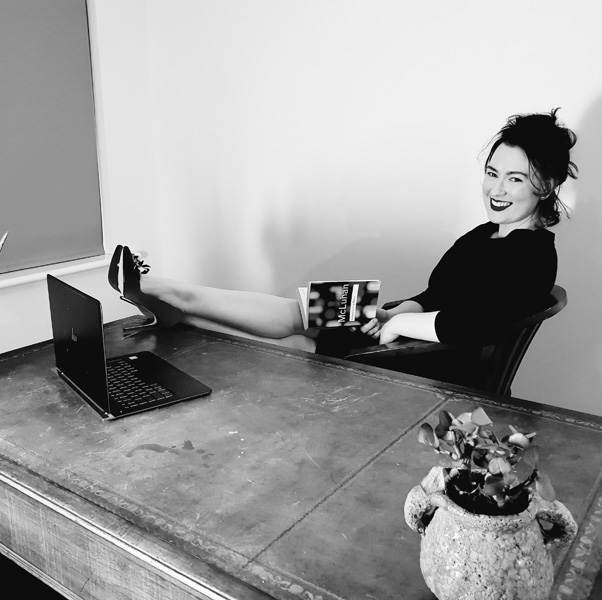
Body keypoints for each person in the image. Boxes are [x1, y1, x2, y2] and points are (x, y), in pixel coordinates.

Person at [109, 108, 578, 384]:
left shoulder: (535, 254)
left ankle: (178, 306)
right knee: (300, 308)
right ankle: (173, 295)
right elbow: (440, 294)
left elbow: (477, 322)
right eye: (492, 173)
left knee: (295, 336)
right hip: (400, 324)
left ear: (547, 184)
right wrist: (401, 310)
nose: (496, 189)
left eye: (515, 178)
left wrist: (400, 326)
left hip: (428, 358)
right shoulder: (484, 235)